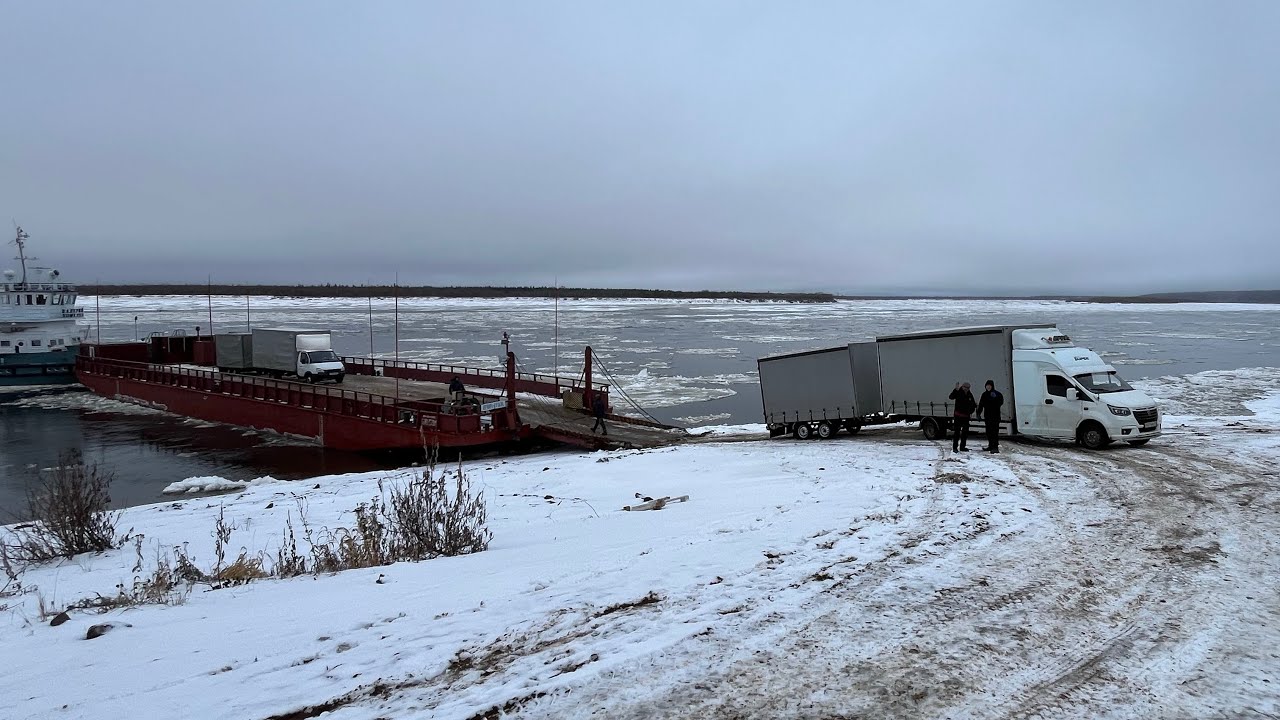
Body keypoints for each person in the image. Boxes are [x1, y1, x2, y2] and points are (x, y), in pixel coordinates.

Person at [976, 379, 1005, 453]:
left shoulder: (997, 394)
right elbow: (981, 404)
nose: (988, 387)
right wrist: (978, 413)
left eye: (989, 386)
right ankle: (990, 446)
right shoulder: (984, 394)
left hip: (995, 416)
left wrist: (995, 399)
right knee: (988, 432)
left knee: (994, 432)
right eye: (987, 386)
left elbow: (1000, 402)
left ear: (992, 386)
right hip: (987, 416)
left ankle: (995, 447)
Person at [948, 381, 977, 452]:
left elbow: (973, 404)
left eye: (968, 388)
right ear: (962, 387)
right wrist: (955, 390)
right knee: (957, 433)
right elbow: (951, 397)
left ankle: (962, 447)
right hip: (958, 416)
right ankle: (955, 447)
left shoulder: (970, 395)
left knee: (965, 433)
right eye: (965, 387)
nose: (966, 389)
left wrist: (970, 411)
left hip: (966, 417)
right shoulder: (958, 392)